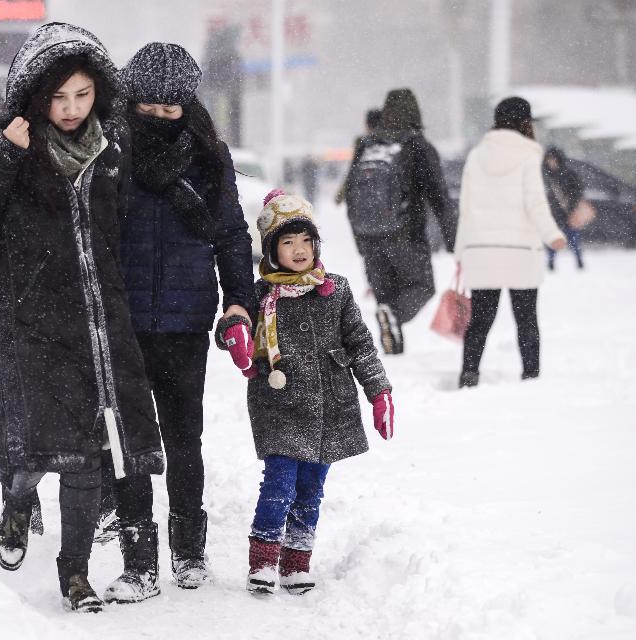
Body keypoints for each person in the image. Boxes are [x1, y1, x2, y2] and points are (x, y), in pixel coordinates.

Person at [0, 22, 164, 613]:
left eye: (83, 95)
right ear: (37, 96)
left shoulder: (112, 146)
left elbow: (118, 231)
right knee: (27, 450)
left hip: (98, 324)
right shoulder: (7, 140)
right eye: (59, 97)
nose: (72, 108)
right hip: (32, 324)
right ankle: (18, 500)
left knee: (85, 454)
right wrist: (5, 155)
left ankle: (75, 574)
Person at [101, 42, 255, 602]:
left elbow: (232, 234)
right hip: (123, 319)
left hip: (187, 319)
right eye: (149, 105)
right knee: (128, 443)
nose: (161, 115)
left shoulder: (208, 156)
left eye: (172, 107)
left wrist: (239, 301)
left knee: (185, 440)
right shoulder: (109, 151)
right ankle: (139, 563)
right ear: (131, 99)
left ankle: (190, 553)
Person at [215, 189, 393, 594]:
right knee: (279, 483)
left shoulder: (337, 290)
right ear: (272, 250)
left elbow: (360, 345)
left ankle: (297, 562)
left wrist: (379, 392)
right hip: (278, 404)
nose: (299, 250)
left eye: (307, 241)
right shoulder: (261, 296)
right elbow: (229, 327)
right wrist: (233, 334)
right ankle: (263, 560)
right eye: (288, 242)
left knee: (311, 488)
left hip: (329, 407)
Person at [454, 97, 566, 388]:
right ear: (525, 122)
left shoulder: (476, 156)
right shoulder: (529, 155)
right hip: (520, 250)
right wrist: (552, 234)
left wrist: (460, 251)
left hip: (482, 250)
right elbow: (535, 202)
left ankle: (469, 374)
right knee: (526, 318)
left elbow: (466, 207)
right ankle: (531, 377)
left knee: (480, 320)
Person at [343, 89, 455, 354]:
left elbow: (351, 194)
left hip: (369, 236)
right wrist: (453, 238)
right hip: (406, 235)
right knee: (422, 287)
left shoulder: (367, 145)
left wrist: (360, 240)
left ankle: (393, 347)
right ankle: (394, 316)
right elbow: (439, 197)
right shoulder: (417, 146)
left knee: (386, 296)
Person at [543, 146, 586, 270]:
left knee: (573, 239)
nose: (551, 161)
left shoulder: (569, 174)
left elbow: (578, 191)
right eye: (549, 159)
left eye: (553, 158)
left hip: (568, 212)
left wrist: (571, 205)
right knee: (553, 239)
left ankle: (579, 261)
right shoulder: (546, 176)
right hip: (553, 213)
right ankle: (551, 262)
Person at [334, 108, 381, 206]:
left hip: (363, 198)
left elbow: (353, 170)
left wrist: (341, 194)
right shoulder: (391, 144)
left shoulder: (363, 143)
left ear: (367, 124)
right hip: (384, 198)